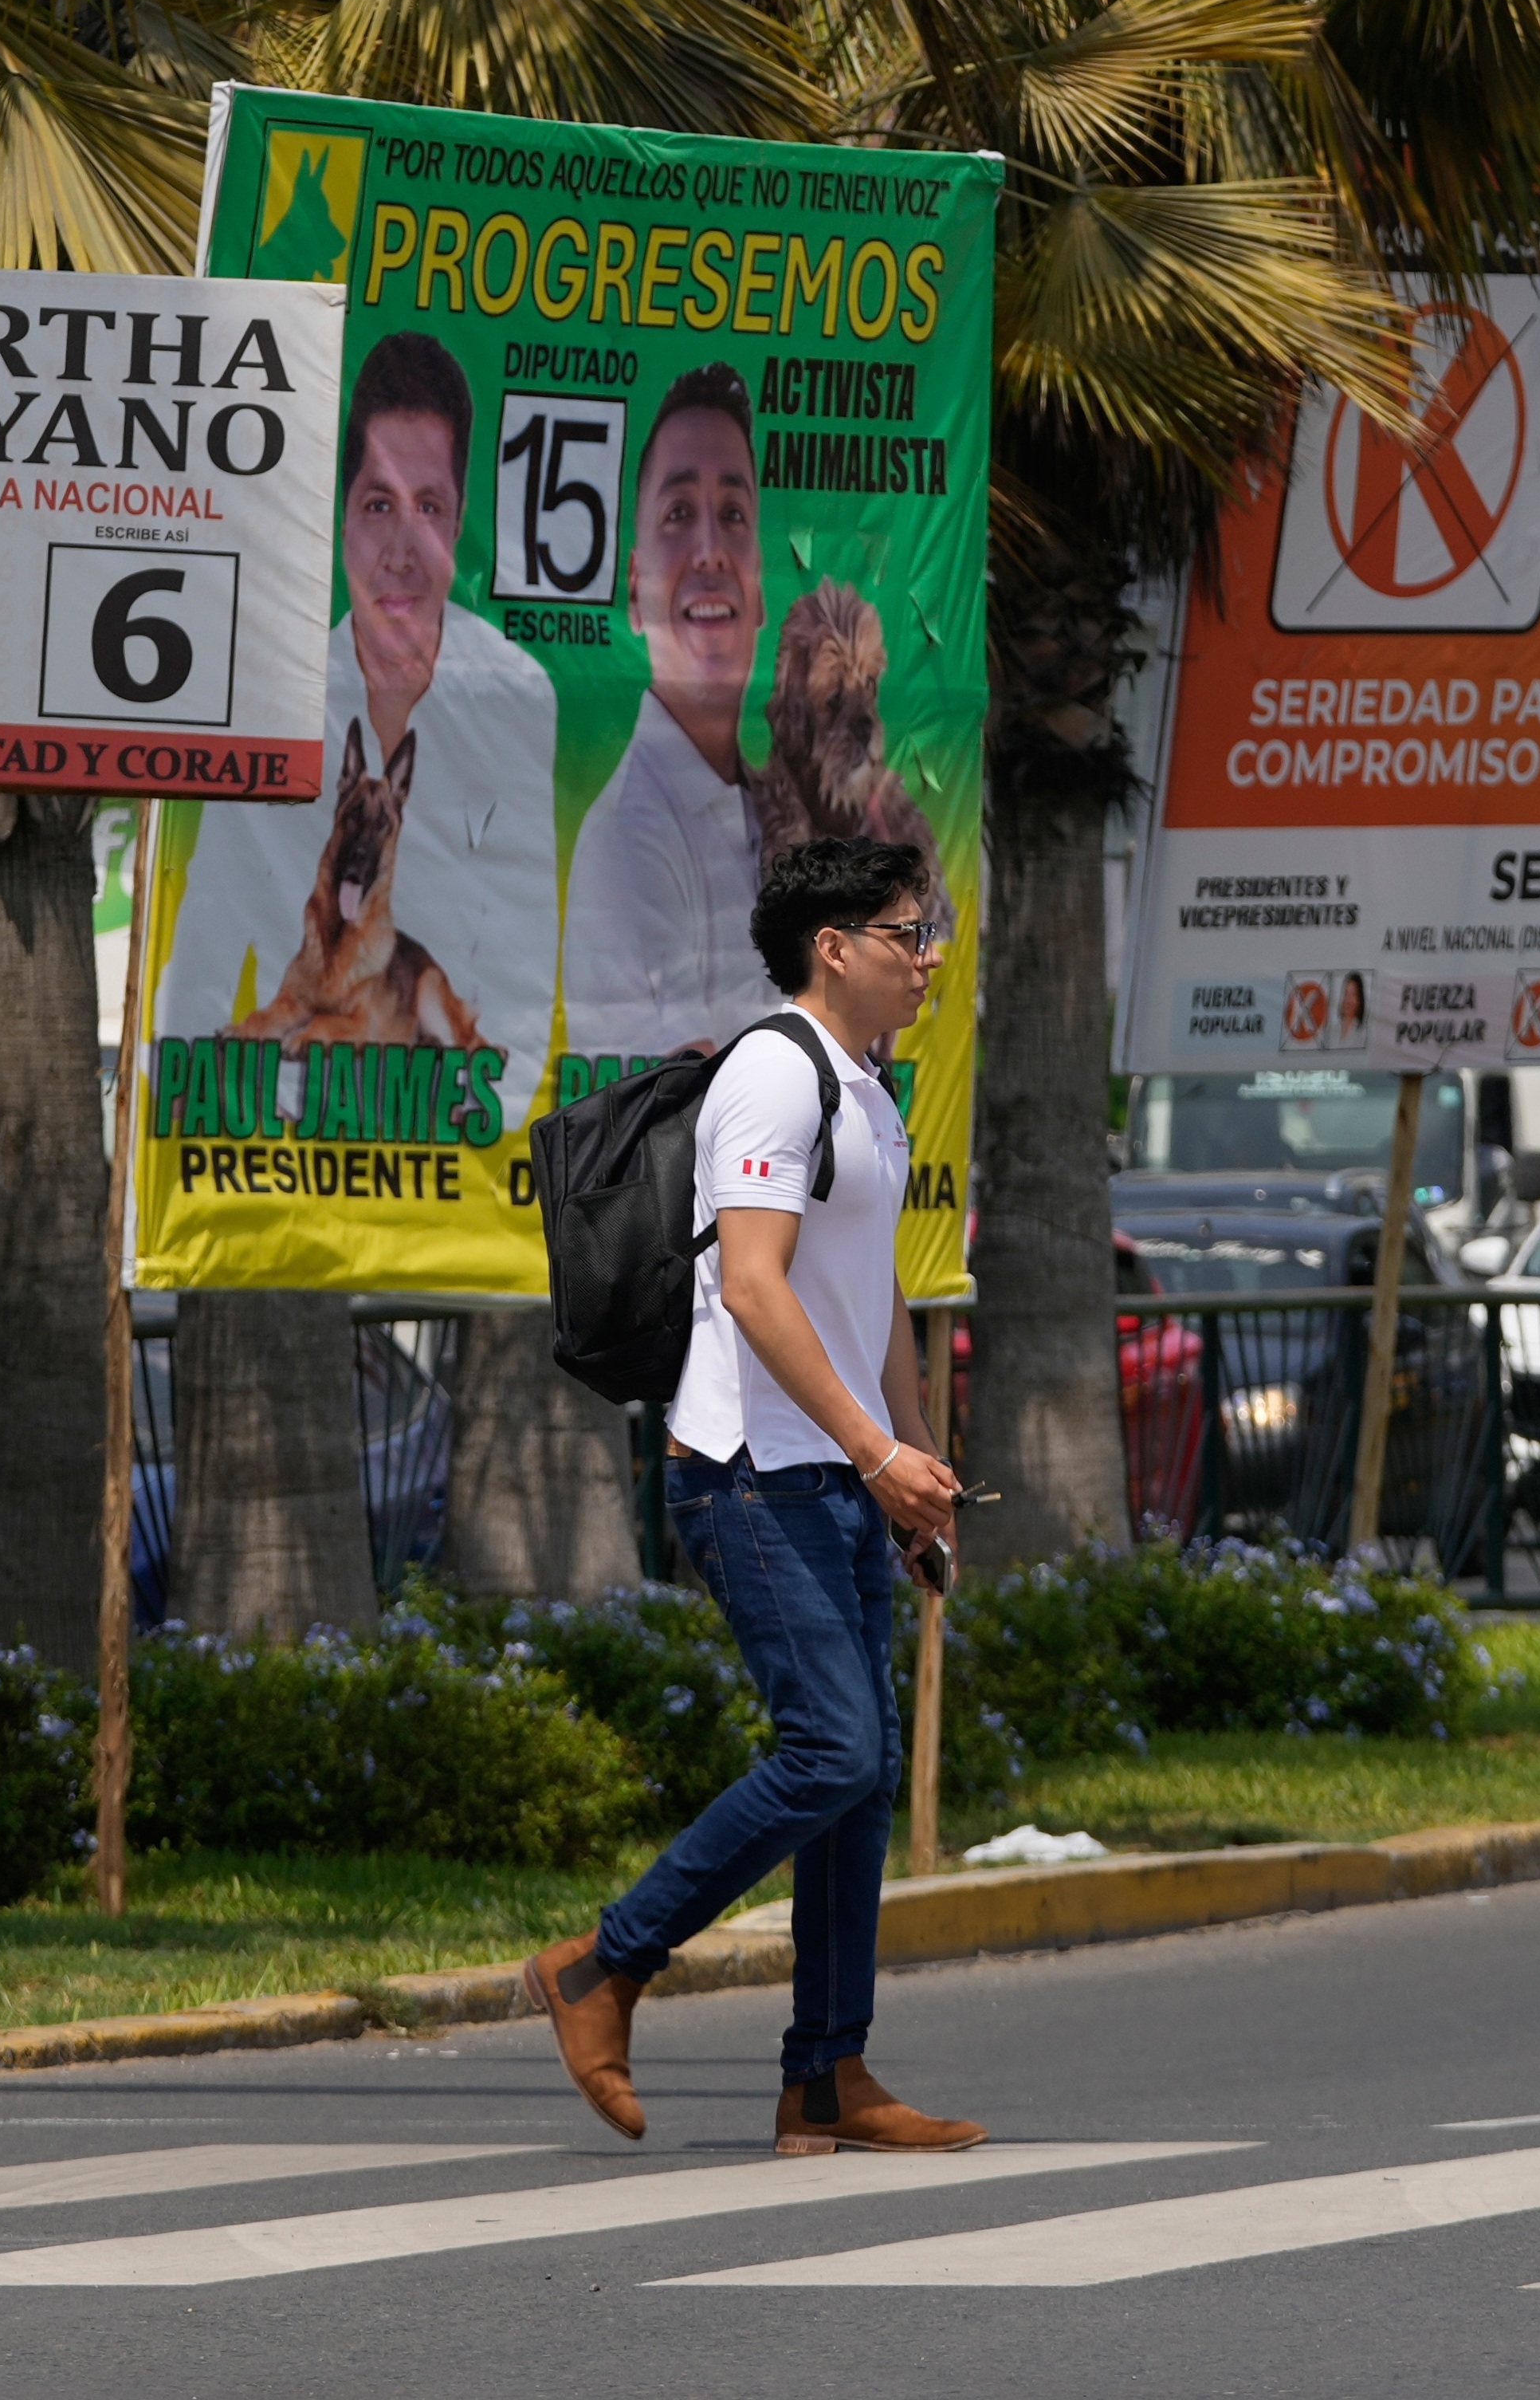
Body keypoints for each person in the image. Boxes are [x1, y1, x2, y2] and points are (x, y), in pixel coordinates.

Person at [523, 836, 980, 2156]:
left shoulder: (867, 1089)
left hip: (831, 1474)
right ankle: (601, 1966)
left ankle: (827, 2076)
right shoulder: (774, 1077)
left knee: (863, 1776)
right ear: (832, 948)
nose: (928, 954)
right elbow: (762, 1290)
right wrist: (872, 1451)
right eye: (906, 933)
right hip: (744, 1475)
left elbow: (869, 1295)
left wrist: (908, 1464)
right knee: (830, 1749)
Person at [159, 332, 558, 1115]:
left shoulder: (517, 697)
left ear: (459, 523)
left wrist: (469, 1132)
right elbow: (201, 959)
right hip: (280, 1151)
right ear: (341, 517)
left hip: (451, 1148)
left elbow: (527, 978)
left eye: (429, 508)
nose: (401, 550)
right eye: (379, 504)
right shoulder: (263, 693)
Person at [564, 362, 786, 1060]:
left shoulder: (777, 817)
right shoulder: (626, 839)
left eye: (733, 516)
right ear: (634, 590)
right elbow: (684, 1105)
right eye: (679, 514)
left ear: (760, 590)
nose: (711, 551)